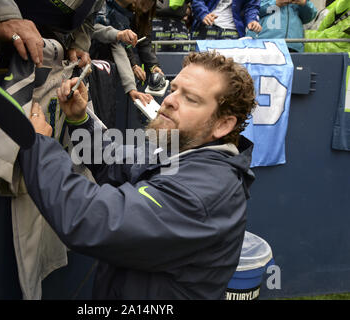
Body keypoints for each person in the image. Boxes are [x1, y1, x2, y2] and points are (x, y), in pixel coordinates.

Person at [18, 51, 257, 299]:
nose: (169, 100)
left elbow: (91, 219)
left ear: (223, 125)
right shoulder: (178, 149)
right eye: (174, 89)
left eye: (191, 99)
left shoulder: (200, 192)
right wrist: (80, 119)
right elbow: (115, 162)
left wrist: (38, 147)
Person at [246, 0, 317, 52]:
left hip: (293, 46)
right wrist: (275, 3)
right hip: (264, 44)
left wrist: (304, 3)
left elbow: (309, 18)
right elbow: (249, 11)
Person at [191, 0, 262, 40]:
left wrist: (252, 20)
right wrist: (203, 14)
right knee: (202, 64)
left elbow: (252, 6)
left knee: (229, 65)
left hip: (232, 31)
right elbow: (197, 1)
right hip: (206, 28)